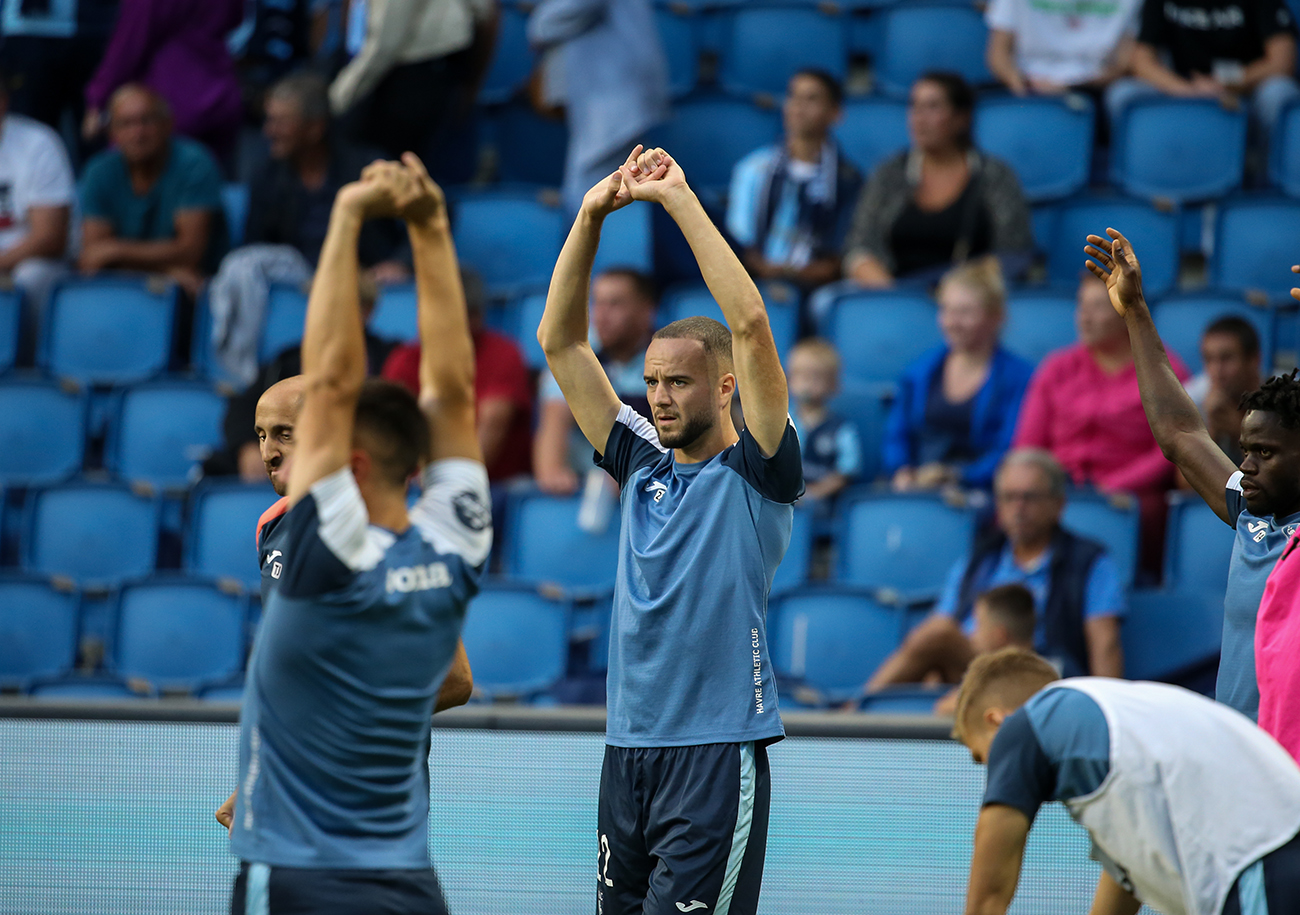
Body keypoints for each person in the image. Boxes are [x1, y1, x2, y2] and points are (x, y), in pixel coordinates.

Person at [538, 145, 803, 915]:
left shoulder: (761, 469)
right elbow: (560, 343)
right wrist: (590, 219)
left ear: (725, 388)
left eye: (677, 381)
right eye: (652, 380)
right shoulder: (641, 462)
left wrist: (678, 199)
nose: (657, 396)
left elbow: (750, 323)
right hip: (627, 751)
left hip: (717, 752)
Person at [224, 154, 489, 913]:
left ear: (351, 461)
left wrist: (345, 218)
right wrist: (430, 227)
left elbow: (333, 377)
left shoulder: (317, 551)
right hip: (405, 878)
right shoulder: (455, 547)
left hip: (295, 869)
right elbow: (453, 389)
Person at [1083, 227, 1300, 721]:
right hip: (1242, 762)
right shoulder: (1251, 516)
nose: (1246, 465)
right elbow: (1181, 434)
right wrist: (1136, 313)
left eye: (1266, 453)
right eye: (1246, 449)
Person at [953, 648, 1300, 915]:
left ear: (996, 720)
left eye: (982, 756)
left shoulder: (1027, 724)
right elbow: (1126, 882)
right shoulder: (1123, 728)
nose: (993, 771)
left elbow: (987, 900)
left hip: (1262, 859)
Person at [862, 448, 1125, 696]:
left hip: (1044, 677)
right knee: (936, 644)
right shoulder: (978, 560)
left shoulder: (1089, 561)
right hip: (971, 672)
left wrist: (1112, 715)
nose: (1018, 508)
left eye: (1029, 497)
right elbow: (944, 622)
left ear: (1058, 504)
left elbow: (1106, 647)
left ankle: (852, 718)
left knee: (937, 636)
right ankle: (862, 716)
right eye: (1009, 497)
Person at [1013, 271, 1188, 572]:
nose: (1085, 317)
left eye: (1097, 307)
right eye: (1081, 306)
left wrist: (1115, 486)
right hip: (1059, 489)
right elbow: (1028, 446)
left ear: (1126, 312)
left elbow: (1174, 445)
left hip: (1132, 497)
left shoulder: (1163, 368)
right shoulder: (1057, 368)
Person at [842, 72, 1033, 290]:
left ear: (961, 117)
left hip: (971, 301)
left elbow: (1013, 252)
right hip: (895, 296)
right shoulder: (889, 173)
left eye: (933, 107)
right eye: (914, 106)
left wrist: (958, 294)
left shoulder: (994, 175)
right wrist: (892, 295)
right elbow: (860, 246)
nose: (919, 118)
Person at [205, 274, 397, 484]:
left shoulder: (392, 359)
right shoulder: (286, 362)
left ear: (366, 311)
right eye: (318, 302)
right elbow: (242, 407)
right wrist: (248, 448)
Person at [884, 258, 1034, 492]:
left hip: (983, 493)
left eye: (965, 312)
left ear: (996, 317)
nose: (952, 322)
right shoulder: (919, 371)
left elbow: (1010, 449)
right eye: (946, 310)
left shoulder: (1020, 378)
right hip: (917, 488)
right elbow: (897, 435)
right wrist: (903, 471)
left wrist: (958, 476)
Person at [249, 71, 410, 281]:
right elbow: (254, 248)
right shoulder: (267, 176)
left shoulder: (368, 169)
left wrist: (400, 263)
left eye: (281, 122)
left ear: (315, 128)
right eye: (269, 120)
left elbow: (433, 208)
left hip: (365, 288)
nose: (269, 131)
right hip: (297, 290)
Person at [382, 269, 533, 483]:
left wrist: (450, 483)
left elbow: (493, 424)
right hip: (417, 486)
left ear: (475, 317)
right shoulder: (405, 359)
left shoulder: (503, 354)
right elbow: (393, 431)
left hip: (492, 488)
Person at [78, 85, 229, 296]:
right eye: (126, 124)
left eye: (146, 121)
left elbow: (191, 252)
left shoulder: (195, 163)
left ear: (168, 124)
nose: (137, 133)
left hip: (195, 289)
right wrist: (164, 271)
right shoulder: (99, 170)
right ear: (112, 132)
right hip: (158, 280)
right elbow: (93, 258)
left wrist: (116, 250)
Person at [527, 0, 669, 215]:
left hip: (614, 98)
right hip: (613, 95)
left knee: (590, 202)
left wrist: (537, 23)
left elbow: (553, 19)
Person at [726, 70, 863, 291]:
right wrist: (767, 271)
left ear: (835, 113)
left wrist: (785, 273)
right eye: (793, 96)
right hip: (750, 283)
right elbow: (737, 244)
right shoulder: (752, 168)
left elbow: (837, 261)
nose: (799, 106)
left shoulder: (849, 181)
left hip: (814, 290)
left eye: (812, 99)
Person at [533, 267, 657, 495]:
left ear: (646, 310)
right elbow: (554, 419)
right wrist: (552, 473)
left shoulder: (671, 356)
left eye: (615, 304)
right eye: (597, 303)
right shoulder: (574, 352)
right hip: (584, 483)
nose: (601, 315)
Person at [329, 0, 498, 166]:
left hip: (415, 76)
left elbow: (384, 45)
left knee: (398, 171)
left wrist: (334, 102)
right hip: (427, 69)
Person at [1106, 0, 1299, 143]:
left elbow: (1282, 62)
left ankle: (1266, 178)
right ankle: (1150, 177)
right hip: (1184, 89)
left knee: (1279, 92)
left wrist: (1224, 82)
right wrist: (1187, 90)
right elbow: (1141, 61)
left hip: (1247, 89)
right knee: (1124, 93)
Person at [82, 0, 245, 160]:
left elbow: (129, 44)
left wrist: (98, 99)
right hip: (219, 95)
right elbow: (237, 18)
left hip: (169, 102)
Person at [0, 71, 74, 360]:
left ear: (3, 102)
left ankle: (27, 370)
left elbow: (50, 238)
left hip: (30, 262)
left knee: (31, 277)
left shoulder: (37, 142)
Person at [985, 0, 1140, 96]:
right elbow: (998, 54)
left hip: (1095, 89)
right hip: (1026, 86)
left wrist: (1073, 88)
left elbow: (1125, 61)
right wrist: (1021, 85)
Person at [932, 583, 1035, 715]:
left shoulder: (997, 688)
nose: (971, 635)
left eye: (978, 624)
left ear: (999, 636)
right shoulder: (1053, 674)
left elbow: (944, 707)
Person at [787, 338, 863, 511]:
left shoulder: (841, 428)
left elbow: (845, 473)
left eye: (815, 377)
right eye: (800, 375)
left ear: (833, 384)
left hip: (821, 505)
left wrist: (814, 494)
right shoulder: (780, 421)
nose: (807, 383)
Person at [1183, 315, 1263, 466]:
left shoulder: (1284, 399)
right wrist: (1210, 433)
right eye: (1209, 359)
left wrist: (1240, 433)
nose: (1216, 371)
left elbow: (1281, 479)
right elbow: (1185, 485)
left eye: (1226, 358)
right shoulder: (1194, 400)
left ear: (1254, 360)